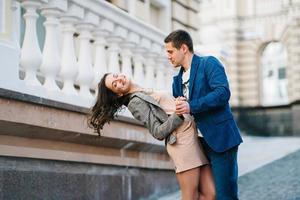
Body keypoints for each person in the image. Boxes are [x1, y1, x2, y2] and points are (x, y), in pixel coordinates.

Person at [89, 73, 216, 200]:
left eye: (116, 76)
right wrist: (178, 115)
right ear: (118, 94)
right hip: (182, 144)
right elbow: (157, 132)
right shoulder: (135, 102)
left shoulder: (143, 90)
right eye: (114, 84)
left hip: (192, 137)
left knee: (210, 194)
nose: (119, 80)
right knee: (190, 196)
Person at [164, 29, 243, 200]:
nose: (168, 56)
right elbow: (184, 114)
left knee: (225, 195)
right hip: (196, 145)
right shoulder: (176, 81)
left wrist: (190, 105)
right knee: (208, 195)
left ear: (183, 48)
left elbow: (222, 93)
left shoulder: (209, 63)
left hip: (220, 140)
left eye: (170, 51)